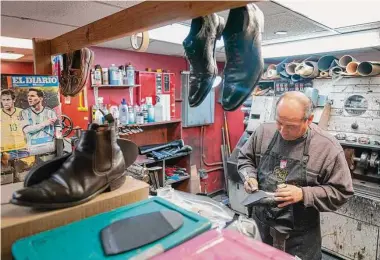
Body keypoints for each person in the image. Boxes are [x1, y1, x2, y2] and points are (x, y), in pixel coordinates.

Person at [238, 91, 353, 259]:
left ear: (309, 120)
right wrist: (249, 176)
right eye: (279, 122)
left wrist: (303, 194)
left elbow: (342, 192)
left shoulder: (327, 148)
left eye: (290, 126)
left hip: (299, 238)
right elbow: (245, 159)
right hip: (260, 226)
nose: (283, 130)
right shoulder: (264, 132)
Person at [20, 88, 58, 155]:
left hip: (49, 148)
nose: (29, 98)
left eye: (32, 96)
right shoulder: (24, 113)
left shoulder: (51, 112)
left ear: (40, 98)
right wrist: (44, 123)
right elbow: (27, 130)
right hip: (32, 149)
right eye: (28, 96)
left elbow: (58, 130)